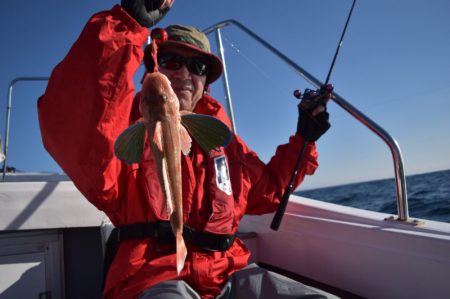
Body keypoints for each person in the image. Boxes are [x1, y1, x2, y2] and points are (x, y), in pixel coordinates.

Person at [38, 1, 335, 298]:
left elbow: (267, 190)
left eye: (198, 67)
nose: (183, 73)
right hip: (152, 276)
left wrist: (304, 140)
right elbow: (78, 121)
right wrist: (126, 23)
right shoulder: (120, 126)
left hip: (229, 274)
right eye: (171, 60)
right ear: (154, 65)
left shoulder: (223, 141)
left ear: (206, 82)